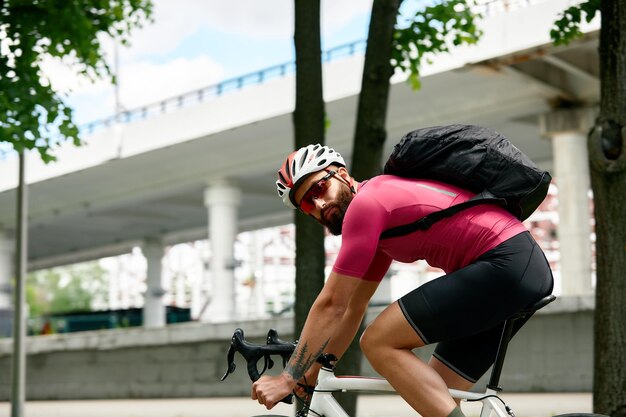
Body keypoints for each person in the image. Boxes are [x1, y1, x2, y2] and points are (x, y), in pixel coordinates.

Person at [252, 144, 554, 417]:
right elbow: (353, 307)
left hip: (505, 262)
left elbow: (332, 304)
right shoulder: (380, 225)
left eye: (319, 188)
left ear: (342, 174)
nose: (317, 205)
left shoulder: (366, 205)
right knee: (437, 396)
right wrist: (315, 369)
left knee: (377, 341)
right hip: (516, 270)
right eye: (306, 205)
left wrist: (288, 377)